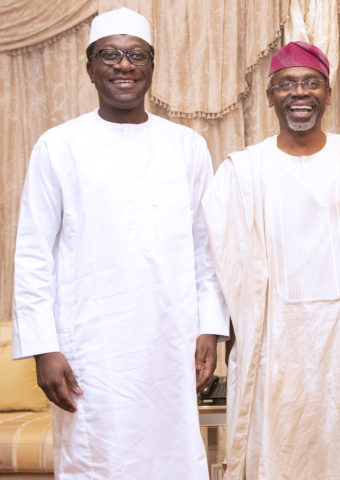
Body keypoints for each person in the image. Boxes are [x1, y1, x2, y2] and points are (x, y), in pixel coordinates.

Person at [11, 7, 229, 479]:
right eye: (110, 54)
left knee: (173, 459)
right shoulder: (58, 145)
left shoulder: (186, 146)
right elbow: (33, 254)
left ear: (152, 66)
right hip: (92, 347)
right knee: (98, 461)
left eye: (136, 55)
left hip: (168, 344)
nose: (123, 65)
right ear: (90, 67)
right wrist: (43, 347)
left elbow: (205, 248)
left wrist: (209, 328)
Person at [202, 41, 340, 479]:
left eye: (311, 83)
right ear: (270, 95)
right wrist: (215, 336)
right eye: (286, 84)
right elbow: (217, 264)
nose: (299, 93)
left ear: (329, 93)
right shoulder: (242, 173)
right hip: (272, 349)